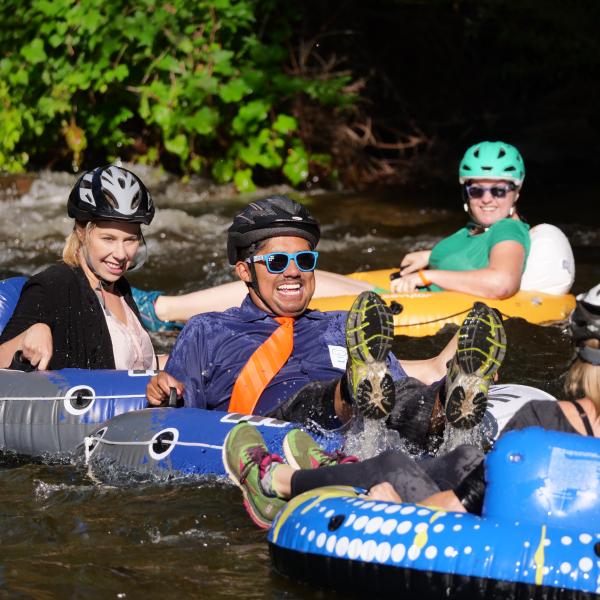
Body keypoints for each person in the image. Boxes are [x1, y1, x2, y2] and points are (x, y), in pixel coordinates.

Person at [222, 284, 600, 528]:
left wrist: (396, 507)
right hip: (558, 552)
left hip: (496, 555)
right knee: (466, 456)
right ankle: (443, 419)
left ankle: (278, 482)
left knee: (392, 466)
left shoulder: (551, 423)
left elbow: (460, 508)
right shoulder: (552, 420)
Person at [147, 195, 507, 438]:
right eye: (277, 262)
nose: (293, 272)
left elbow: (397, 386)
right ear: (244, 271)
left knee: (401, 393)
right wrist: (164, 394)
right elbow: (181, 419)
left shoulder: (343, 324)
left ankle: (450, 400)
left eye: (304, 261)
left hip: (361, 432)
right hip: (272, 426)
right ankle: (352, 390)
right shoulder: (208, 329)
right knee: (313, 398)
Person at [0, 165, 164, 371]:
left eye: (130, 240)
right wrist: (30, 334)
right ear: (81, 231)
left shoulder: (119, 287)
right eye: (108, 239)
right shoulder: (53, 286)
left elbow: (139, 367)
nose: (121, 254)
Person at [392, 140, 530, 298]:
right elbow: (475, 255)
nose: (486, 199)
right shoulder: (478, 228)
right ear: (466, 194)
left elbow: (502, 284)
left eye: (498, 191)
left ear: (516, 192)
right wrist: (429, 256)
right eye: (476, 191)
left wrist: (428, 276)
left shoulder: (507, 229)